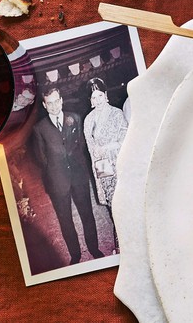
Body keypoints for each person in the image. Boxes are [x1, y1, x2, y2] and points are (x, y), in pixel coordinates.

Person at [32, 87, 104, 265]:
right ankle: (75, 255)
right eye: (50, 103)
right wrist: (56, 171)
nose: (54, 106)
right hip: (58, 183)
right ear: (44, 105)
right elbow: (41, 159)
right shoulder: (39, 129)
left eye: (57, 101)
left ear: (62, 100)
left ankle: (94, 249)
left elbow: (81, 148)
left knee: (87, 214)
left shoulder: (76, 118)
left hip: (79, 177)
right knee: (65, 220)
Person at [83, 78, 127, 252]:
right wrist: (99, 180)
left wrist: (107, 148)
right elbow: (92, 152)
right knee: (113, 206)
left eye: (100, 96)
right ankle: (121, 244)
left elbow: (125, 140)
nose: (97, 100)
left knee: (125, 203)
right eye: (93, 98)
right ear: (90, 101)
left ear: (106, 95)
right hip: (104, 169)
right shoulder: (88, 120)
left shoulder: (117, 114)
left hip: (122, 164)